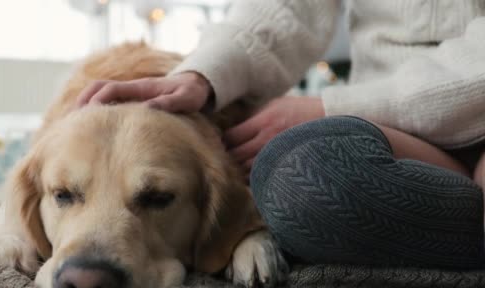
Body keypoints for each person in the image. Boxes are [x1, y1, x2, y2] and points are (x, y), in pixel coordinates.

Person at [77, 0, 485, 270]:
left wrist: (333, 106)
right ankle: (463, 214)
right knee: (298, 176)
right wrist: (201, 75)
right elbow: (288, 7)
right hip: (390, 129)